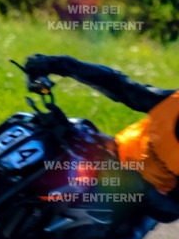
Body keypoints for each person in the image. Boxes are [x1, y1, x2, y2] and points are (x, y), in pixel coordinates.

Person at [24, 54, 179, 228]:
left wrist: (139, 188)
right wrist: (59, 64)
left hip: (135, 200)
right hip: (109, 154)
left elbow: (172, 210)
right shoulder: (172, 102)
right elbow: (119, 84)